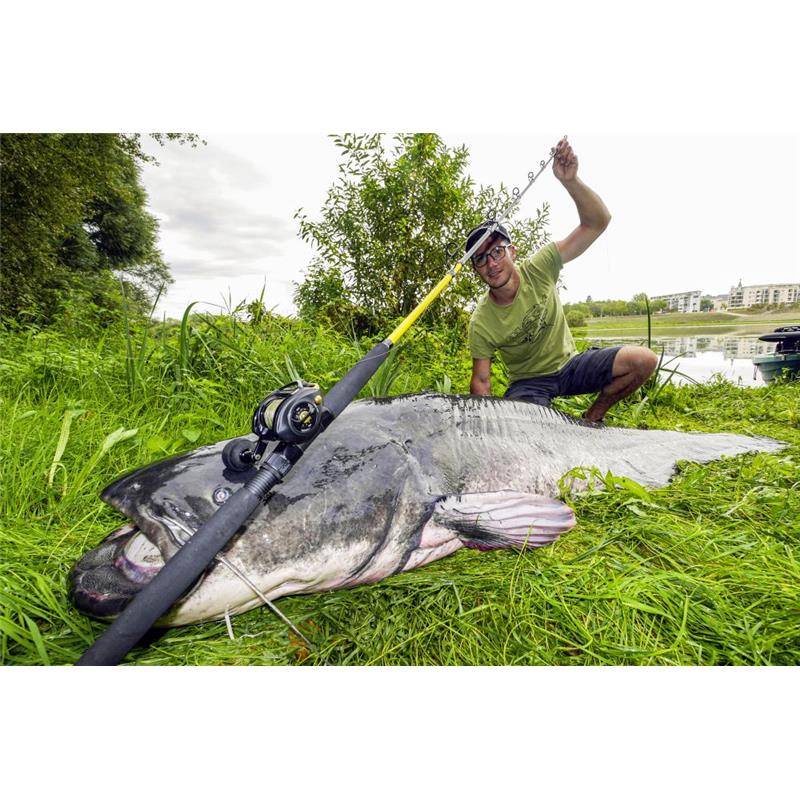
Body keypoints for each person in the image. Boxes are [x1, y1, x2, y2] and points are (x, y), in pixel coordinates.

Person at [467, 138, 657, 423]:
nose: (491, 264)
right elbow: (481, 382)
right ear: (476, 270)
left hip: (571, 366)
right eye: (481, 259)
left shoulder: (541, 265)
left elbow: (597, 222)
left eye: (496, 251)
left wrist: (571, 181)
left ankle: (592, 419)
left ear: (512, 251)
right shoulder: (481, 321)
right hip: (529, 383)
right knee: (524, 430)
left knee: (644, 360)